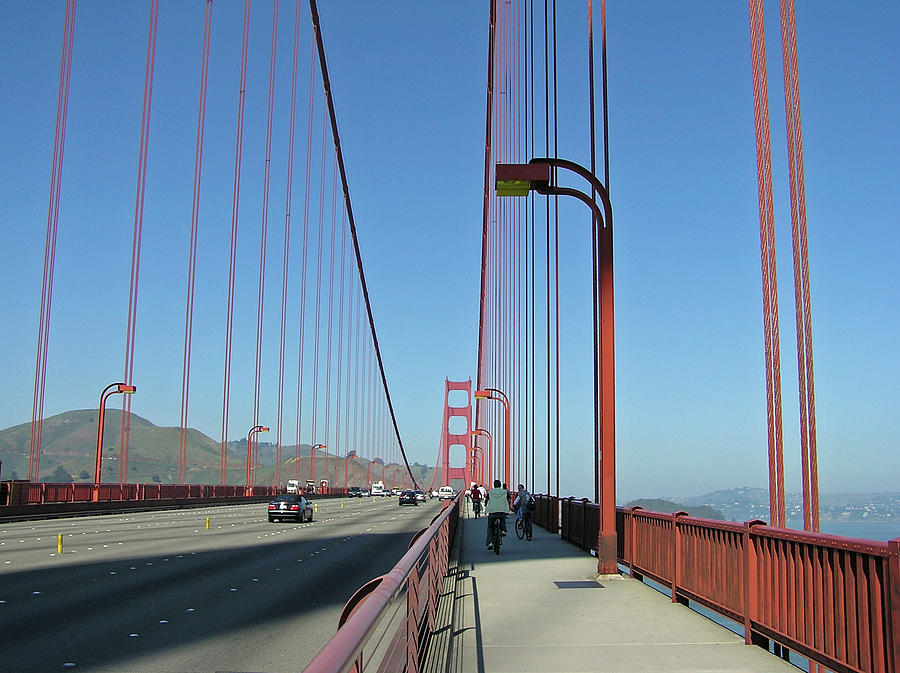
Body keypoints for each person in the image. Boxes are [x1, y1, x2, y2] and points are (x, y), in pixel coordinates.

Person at [484, 479, 510, 549]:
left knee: (490, 527)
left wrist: (485, 504)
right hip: (502, 510)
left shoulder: (490, 492)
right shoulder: (505, 492)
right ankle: (504, 530)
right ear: (500, 485)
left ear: (494, 485)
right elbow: (508, 499)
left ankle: (489, 543)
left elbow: (487, 500)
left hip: (492, 511)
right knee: (502, 518)